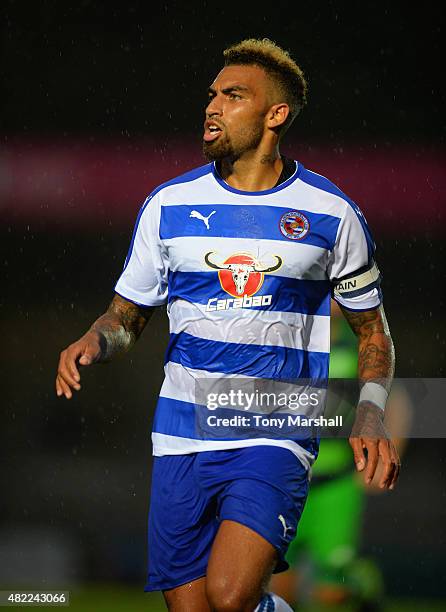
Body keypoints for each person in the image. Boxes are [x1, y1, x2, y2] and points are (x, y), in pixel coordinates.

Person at [56, 38, 400, 612]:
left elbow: (373, 333)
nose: (212, 105)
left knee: (231, 596)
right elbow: (127, 315)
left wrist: (368, 410)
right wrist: (96, 340)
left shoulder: (332, 212)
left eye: (233, 95)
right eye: (212, 94)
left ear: (275, 114)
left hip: (275, 427)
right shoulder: (168, 204)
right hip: (180, 430)